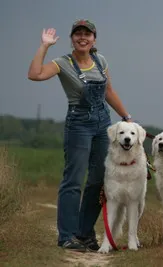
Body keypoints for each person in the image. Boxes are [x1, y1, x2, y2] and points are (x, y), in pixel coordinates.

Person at [27, 19, 133, 252]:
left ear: (94, 38)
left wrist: (126, 117)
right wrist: (44, 46)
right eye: (78, 34)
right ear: (72, 38)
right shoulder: (62, 63)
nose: (82, 38)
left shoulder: (100, 60)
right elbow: (34, 74)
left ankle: (85, 234)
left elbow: (108, 91)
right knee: (73, 181)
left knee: (98, 181)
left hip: (103, 123)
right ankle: (66, 236)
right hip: (79, 125)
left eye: (87, 34)